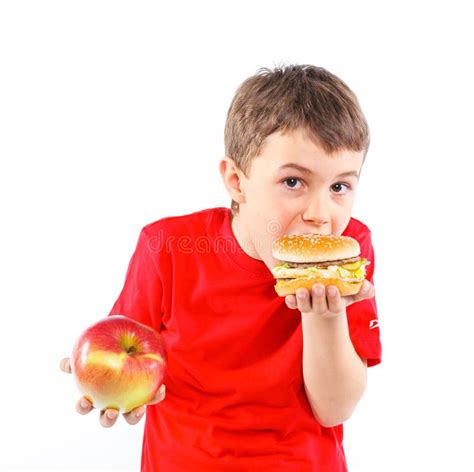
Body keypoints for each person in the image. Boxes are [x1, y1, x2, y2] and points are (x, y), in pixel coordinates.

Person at [60, 64, 382, 471]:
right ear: (236, 180)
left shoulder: (350, 252)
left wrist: (327, 315)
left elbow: (333, 408)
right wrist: (106, 382)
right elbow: (127, 351)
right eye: (293, 182)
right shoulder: (167, 248)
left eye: (340, 187)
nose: (321, 214)